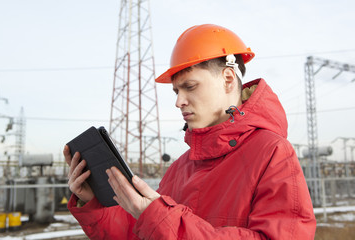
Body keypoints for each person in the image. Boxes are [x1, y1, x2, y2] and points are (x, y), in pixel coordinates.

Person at [64, 24, 316, 239]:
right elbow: (142, 232)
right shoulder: (180, 168)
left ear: (228, 79)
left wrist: (162, 219)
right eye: (176, 91)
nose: (179, 101)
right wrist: (94, 202)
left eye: (190, 87)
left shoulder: (272, 153)